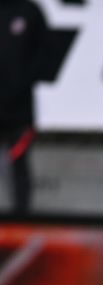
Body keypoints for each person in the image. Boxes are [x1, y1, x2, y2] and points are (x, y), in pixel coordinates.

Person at [0, 0, 47, 216]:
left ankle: (22, 216)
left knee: (19, 163)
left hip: (19, 110)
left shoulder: (30, 12)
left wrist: (21, 82)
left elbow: (45, 53)